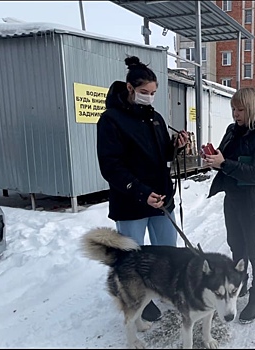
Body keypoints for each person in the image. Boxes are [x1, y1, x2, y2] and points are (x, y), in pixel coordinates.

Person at [96, 55, 189, 322]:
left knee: (166, 251)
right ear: (129, 88)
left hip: (161, 198)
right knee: (133, 257)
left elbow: (162, 156)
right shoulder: (111, 120)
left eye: (153, 93)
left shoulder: (155, 118)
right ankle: (138, 297)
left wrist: (176, 145)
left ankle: (164, 288)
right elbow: (110, 167)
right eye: (144, 92)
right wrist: (139, 191)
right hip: (131, 201)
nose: (149, 97)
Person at [203, 87, 255, 323]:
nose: (235, 114)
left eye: (240, 109)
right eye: (233, 109)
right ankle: (243, 284)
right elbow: (224, 157)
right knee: (236, 246)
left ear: (252, 109)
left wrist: (225, 164)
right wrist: (213, 159)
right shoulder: (232, 130)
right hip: (234, 197)